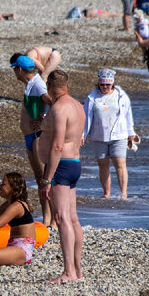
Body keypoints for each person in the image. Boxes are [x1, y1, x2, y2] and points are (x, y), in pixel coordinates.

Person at [38, 70, 86, 283]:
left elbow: (57, 146)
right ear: (66, 85)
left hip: (61, 166)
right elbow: (78, 138)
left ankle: (68, 273)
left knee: (62, 218)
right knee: (73, 218)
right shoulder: (78, 106)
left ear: (49, 85)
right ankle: (77, 270)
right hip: (75, 164)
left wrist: (47, 179)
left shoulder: (58, 108)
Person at [82, 69, 138, 199]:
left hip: (119, 135)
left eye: (108, 84)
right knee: (103, 164)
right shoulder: (92, 97)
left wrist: (131, 133)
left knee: (120, 162)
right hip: (98, 136)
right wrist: (83, 134)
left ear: (112, 83)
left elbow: (128, 115)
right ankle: (106, 193)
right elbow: (86, 117)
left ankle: (123, 193)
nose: (105, 87)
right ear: (98, 84)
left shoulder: (121, 95)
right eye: (102, 84)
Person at [11, 53, 51, 224]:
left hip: (37, 136)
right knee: (38, 177)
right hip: (30, 135)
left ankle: (51, 219)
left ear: (19, 70)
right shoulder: (30, 83)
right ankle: (46, 217)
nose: (14, 73)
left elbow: (52, 101)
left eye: (15, 70)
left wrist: (44, 118)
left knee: (44, 178)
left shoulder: (38, 83)